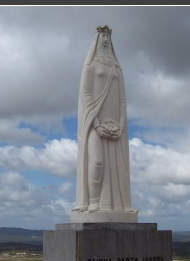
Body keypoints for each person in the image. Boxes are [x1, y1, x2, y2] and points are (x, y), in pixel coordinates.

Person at [72, 25, 137, 215]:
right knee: (97, 162)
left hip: (116, 125)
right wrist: (97, 125)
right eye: (103, 36)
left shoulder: (117, 68)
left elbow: (123, 101)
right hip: (94, 122)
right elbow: (86, 95)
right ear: (97, 39)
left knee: (117, 166)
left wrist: (122, 127)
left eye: (108, 35)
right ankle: (93, 201)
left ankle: (119, 206)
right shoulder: (90, 66)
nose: (106, 40)